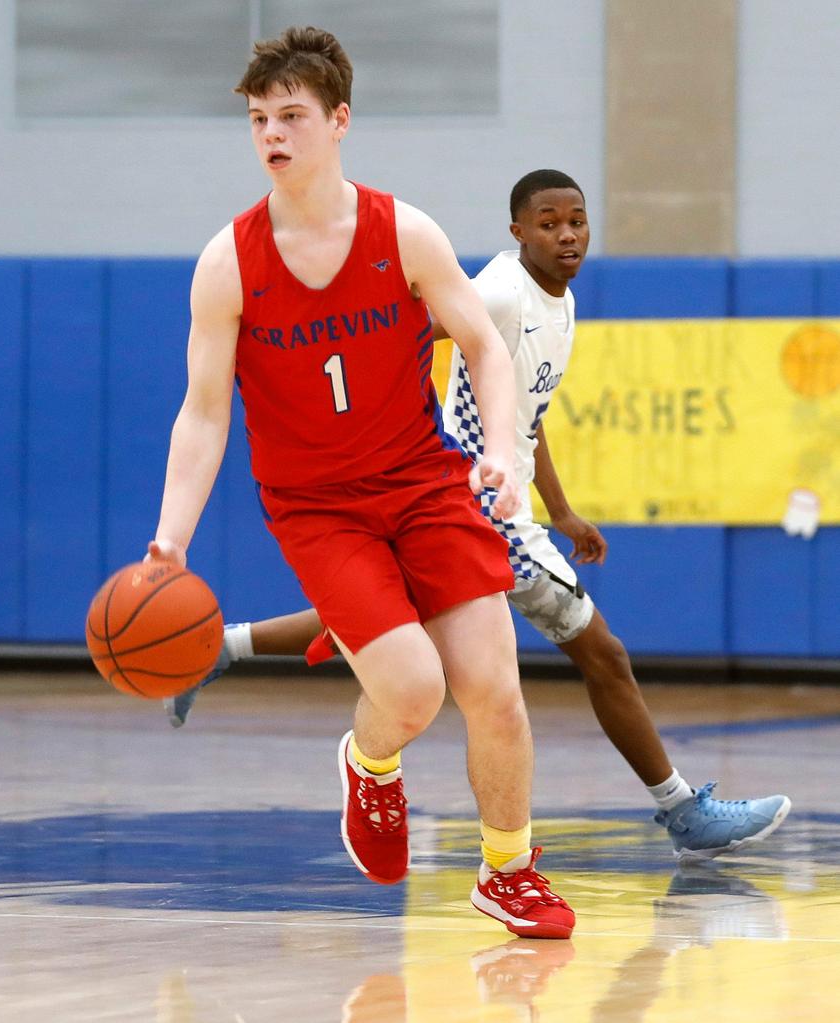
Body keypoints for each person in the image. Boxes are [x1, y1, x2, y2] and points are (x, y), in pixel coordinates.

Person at [166, 169, 792, 863]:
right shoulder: (498, 290)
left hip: (502, 496)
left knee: (394, 624)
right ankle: (680, 810)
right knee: (599, 652)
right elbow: (393, 334)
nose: (567, 234)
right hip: (465, 496)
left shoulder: (561, 302)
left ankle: (228, 645)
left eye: (576, 220)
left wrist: (562, 508)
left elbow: (528, 416)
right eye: (549, 222)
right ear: (518, 231)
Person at [146, 28, 574, 939]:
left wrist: (500, 446)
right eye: (260, 118)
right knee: (414, 690)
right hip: (319, 507)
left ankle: (509, 871)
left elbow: (488, 346)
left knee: (494, 686)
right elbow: (204, 413)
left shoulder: (403, 232)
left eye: (292, 115)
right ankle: (371, 764)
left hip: (423, 482)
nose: (272, 133)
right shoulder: (228, 263)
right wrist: (170, 541)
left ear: (339, 121)